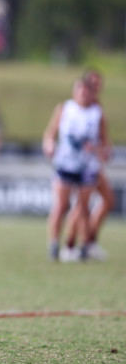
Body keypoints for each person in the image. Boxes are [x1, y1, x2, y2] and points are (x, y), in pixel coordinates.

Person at [42, 78, 107, 262]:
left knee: (83, 208)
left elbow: (103, 143)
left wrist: (99, 151)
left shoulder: (97, 114)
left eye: (86, 92)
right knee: (61, 206)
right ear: (74, 92)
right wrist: (48, 145)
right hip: (65, 164)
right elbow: (50, 133)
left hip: (87, 166)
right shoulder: (65, 109)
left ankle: (83, 246)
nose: (83, 95)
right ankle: (54, 245)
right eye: (80, 91)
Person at [63, 68, 113, 261]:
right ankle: (71, 244)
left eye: (99, 83)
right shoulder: (76, 108)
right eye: (93, 82)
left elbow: (102, 138)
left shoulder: (96, 108)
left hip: (92, 163)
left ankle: (89, 240)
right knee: (81, 205)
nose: (96, 86)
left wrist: (105, 150)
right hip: (79, 164)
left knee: (106, 201)